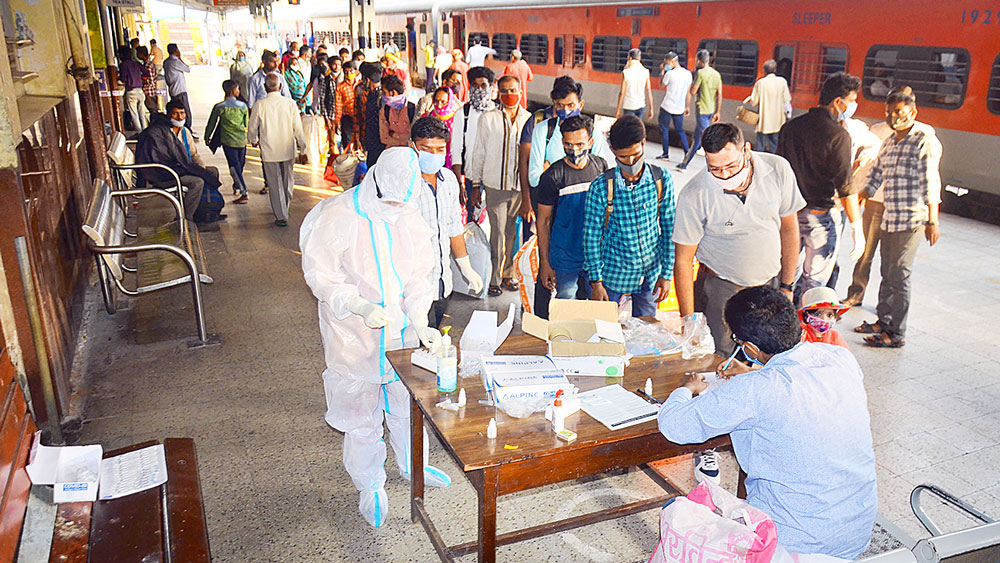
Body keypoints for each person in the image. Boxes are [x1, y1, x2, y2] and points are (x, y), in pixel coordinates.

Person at [658, 285, 876, 561]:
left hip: (794, 544)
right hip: (855, 533)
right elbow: (796, 382)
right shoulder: (840, 358)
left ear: (749, 347)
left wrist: (686, 388)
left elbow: (673, 425)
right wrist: (754, 370)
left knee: (677, 512)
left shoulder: (755, 390)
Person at [299, 147, 451, 529]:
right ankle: (370, 485)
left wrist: (420, 319)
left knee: (405, 402)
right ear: (375, 180)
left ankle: (413, 465)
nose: (396, 207)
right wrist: (357, 305)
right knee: (362, 410)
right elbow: (321, 275)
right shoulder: (339, 215)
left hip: (399, 332)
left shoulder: (409, 212)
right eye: (391, 201)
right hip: (353, 333)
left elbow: (420, 273)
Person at [672, 123, 805, 355]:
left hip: (768, 284)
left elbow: (790, 229)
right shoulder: (695, 193)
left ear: (746, 150)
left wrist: (787, 286)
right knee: (717, 356)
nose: (725, 175)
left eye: (731, 165)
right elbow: (683, 261)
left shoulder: (777, 169)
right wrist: (689, 321)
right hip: (720, 287)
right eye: (715, 169)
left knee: (767, 353)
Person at [856, 87, 942, 348]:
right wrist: (862, 194)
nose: (894, 117)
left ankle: (897, 333)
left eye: (899, 112)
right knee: (887, 271)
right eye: (889, 113)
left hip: (913, 219)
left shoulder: (922, 141)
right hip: (890, 216)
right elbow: (877, 174)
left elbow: (930, 181)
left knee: (900, 274)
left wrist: (932, 220)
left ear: (913, 113)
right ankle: (883, 322)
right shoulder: (890, 142)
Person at [777, 72, 865, 305]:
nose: (853, 106)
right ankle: (808, 333)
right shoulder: (838, 135)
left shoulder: (791, 127)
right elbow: (845, 185)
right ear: (838, 102)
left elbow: (780, 171)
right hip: (821, 218)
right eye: (852, 100)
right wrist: (857, 228)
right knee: (814, 283)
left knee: (786, 278)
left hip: (789, 215)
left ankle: (785, 328)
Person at [582, 115, 675, 317]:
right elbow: (591, 237)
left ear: (643, 143)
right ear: (613, 151)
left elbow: (669, 230)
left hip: (650, 275)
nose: (631, 162)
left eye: (635, 154)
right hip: (612, 276)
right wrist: (596, 282)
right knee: (604, 331)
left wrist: (666, 274)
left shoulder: (661, 180)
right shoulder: (601, 187)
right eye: (623, 157)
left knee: (646, 333)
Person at [409, 118, 485, 326]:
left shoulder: (449, 180)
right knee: (416, 342)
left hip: (442, 282)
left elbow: (453, 227)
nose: (434, 155)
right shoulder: (404, 183)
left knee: (434, 336)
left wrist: (466, 267)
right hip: (413, 285)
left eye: (440, 149)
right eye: (426, 149)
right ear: (412, 147)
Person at [535, 115, 608, 318]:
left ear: (590, 142)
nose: (574, 149)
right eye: (568, 144)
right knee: (566, 313)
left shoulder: (601, 169)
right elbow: (543, 222)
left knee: (597, 312)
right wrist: (546, 264)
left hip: (595, 257)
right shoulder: (552, 177)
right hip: (564, 257)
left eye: (579, 144)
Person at [467, 75, 531, 296]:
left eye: (513, 90)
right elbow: (479, 152)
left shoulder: (529, 120)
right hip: (495, 185)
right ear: (498, 93)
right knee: (498, 233)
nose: (509, 95)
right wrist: (476, 184)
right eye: (504, 91)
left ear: (521, 91)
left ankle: (509, 274)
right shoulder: (488, 119)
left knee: (512, 232)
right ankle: (495, 277)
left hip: (519, 188)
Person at [843, 101, 897, 306]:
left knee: (892, 261)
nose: (894, 115)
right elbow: (870, 168)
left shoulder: (922, 134)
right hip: (874, 200)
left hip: (898, 207)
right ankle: (855, 294)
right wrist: (857, 190)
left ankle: (886, 306)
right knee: (865, 253)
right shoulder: (877, 130)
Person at [134, 103, 217, 221]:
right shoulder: (158, 133)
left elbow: (193, 154)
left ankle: (205, 211)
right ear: (168, 115)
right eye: (175, 113)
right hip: (164, 174)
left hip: (178, 167)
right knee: (197, 182)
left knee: (212, 172)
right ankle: (184, 218)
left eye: (182, 113)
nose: (180, 117)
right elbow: (161, 159)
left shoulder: (185, 132)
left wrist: (200, 168)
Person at [248, 73, 307, 227]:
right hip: (287, 150)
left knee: (274, 183)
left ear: (265, 87)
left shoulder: (259, 105)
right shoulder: (290, 104)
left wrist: (253, 140)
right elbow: (298, 128)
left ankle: (281, 215)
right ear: (281, 87)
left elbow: (252, 127)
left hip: (269, 150)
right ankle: (285, 208)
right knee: (288, 180)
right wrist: (303, 149)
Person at [451, 66, 496, 200]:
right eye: (475, 86)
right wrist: (460, 184)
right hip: (471, 179)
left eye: (483, 85)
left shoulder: (499, 113)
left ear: (490, 87)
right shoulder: (462, 114)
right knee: (473, 218)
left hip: (495, 180)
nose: (479, 90)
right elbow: (456, 150)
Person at [206, 80, 250, 204]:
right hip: (241, 140)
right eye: (237, 89)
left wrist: (207, 137)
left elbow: (212, 123)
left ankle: (238, 186)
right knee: (239, 165)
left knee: (234, 166)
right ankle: (243, 191)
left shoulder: (219, 107)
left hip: (228, 141)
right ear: (232, 91)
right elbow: (246, 123)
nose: (239, 91)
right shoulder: (243, 106)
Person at [677, 49, 722, 170]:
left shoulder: (700, 73)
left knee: (708, 139)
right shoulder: (716, 74)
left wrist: (692, 82)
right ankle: (684, 164)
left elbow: (693, 91)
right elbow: (719, 95)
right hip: (711, 109)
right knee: (696, 140)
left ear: (699, 60)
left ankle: (715, 167)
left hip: (701, 109)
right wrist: (718, 111)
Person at [749, 59, 791, 153]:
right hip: (777, 121)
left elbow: (753, 102)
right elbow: (786, 102)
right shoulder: (782, 82)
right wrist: (788, 116)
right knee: (775, 146)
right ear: (775, 70)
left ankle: (759, 165)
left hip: (764, 121)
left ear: (764, 70)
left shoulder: (760, 83)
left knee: (760, 146)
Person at [656, 51, 691, 161]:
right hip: (680, 107)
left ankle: (665, 154)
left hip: (667, 106)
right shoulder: (688, 74)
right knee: (680, 130)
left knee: (664, 129)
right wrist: (687, 106)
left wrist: (662, 72)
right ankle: (687, 152)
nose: (667, 65)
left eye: (667, 63)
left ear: (672, 61)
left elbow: (662, 85)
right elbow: (689, 92)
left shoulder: (670, 74)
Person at [357, 62, 386, 167]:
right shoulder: (375, 95)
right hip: (373, 143)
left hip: (378, 144)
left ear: (367, 80)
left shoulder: (379, 98)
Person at [426, 87, 460, 169]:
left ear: (450, 101)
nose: (439, 106)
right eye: (436, 101)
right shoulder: (428, 117)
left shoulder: (457, 119)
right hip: (431, 159)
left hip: (450, 161)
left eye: (443, 102)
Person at [163, 44, 194, 133]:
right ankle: (187, 131)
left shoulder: (166, 62)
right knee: (185, 112)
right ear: (176, 51)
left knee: (175, 111)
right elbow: (187, 69)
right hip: (180, 90)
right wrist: (180, 58)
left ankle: (179, 129)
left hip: (172, 90)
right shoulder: (176, 61)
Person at [379, 75, 415, 150]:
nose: (382, 95)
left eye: (384, 92)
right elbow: (384, 138)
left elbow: (415, 138)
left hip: (409, 153)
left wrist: (393, 134)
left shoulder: (412, 109)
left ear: (393, 92)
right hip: (392, 152)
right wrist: (404, 138)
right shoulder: (385, 111)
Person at [616, 48, 652, 120]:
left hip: (629, 105)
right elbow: (648, 90)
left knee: (628, 127)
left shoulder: (626, 72)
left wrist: (618, 109)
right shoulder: (645, 71)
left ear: (630, 58)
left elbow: (622, 93)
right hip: (640, 105)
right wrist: (651, 108)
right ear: (639, 58)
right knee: (637, 126)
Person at [119, 46, 149, 131]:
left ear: (121, 55)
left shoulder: (123, 65)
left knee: (134, 114)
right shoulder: (136, 63)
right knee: (142, 113)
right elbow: (147, 73)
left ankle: (140, 133)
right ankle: (145, 130)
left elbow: (123, 79)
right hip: (140, 91)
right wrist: (140, 78)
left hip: (131, 92)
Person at [333, 61, 359, 151]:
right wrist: (337, 121)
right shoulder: (340, 87)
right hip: (348, 117)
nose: (349, 74)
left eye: (351, 71)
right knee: (347, 141)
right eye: (346, 72)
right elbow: (338, 105)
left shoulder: (360, 85)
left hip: (360, 117)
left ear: (356, 71)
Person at [298, 45, 313, 110]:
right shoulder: (298, 63)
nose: (311, 54)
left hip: (308, 88)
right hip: (301, 88)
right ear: (305, 54)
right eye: (310, 52)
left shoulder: (308, 63)